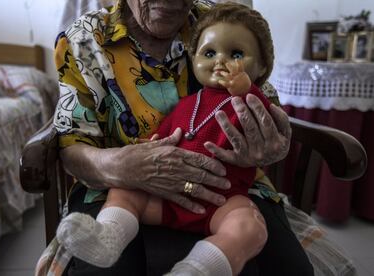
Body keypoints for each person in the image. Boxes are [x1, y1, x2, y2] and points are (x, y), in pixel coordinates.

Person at [52, 0, 313, 275]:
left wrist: (268, 141)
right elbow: (72, 142)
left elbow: (267, 106)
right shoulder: (83, 39)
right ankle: (108, 236)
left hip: (229, 190)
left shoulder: (221, 20)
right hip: (124, 183)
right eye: (209, 53)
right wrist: (123, 166)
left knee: (282, 263)